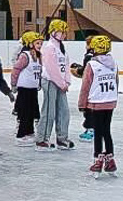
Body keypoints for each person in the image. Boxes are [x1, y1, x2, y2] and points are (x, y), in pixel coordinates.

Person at [78, 35, 119, 178]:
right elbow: (116, 81)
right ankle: (110, 159)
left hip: (97, 103)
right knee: (106, 131)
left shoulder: (91, 64)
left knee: (97, 133)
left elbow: (85, 86)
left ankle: (98, 159)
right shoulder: (113, 63)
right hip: (110, 101)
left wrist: (82, 104)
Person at [35, 19, 73, 151]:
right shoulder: (49, 47)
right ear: (53, 32)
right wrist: (61, 83)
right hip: (51, 82)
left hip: (61, 83)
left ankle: (62, 138)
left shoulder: (61, 48)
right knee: (49, 111)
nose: (64, 35)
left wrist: (67, 81)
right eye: (61, 32)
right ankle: (42, 139)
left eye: (64, 32)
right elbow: (51, 68)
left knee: (64, 111)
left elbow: (65, 65)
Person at [11, 31, 43, 146]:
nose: (40, 45)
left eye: (40, 43)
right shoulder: (25, 55)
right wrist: (13, 84)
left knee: (31, 111)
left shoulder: (39, 56)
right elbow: (16, 69)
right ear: (30, 44)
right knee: (24, 112)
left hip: (33, 88)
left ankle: (29, 131)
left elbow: (39, 71)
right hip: (24, 88)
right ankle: (21, 135)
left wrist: (39, 83)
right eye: (37, 43)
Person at [72, 35, 96, 143]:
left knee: (88, 107)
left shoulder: (89, 57)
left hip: (90, 86)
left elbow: (86, 72)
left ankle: (90, 129)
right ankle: (96, 128)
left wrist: (77, 70)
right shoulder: (100, 55)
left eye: (87, 44)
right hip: (97, 86)